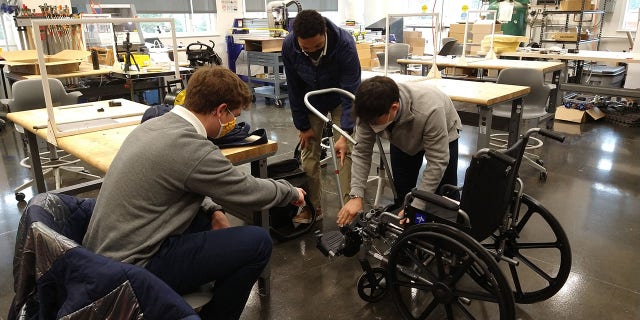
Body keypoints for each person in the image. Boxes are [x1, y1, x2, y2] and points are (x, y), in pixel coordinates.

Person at [83, 66, 305, 320]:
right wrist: (289, 191)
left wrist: (214, 210)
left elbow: (187, 181)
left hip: (104, 255)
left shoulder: (154, 125)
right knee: (257, 243)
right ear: (220, 110)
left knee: (206, 220)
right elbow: (247, 190)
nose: (233, 124)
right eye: (233, 116)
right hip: (134, 269)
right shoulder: (191, 147)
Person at [337, 76, 462, 226]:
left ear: (394, 108)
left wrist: (418, 206)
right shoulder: (368, 111)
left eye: (374, 122)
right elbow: (362, 152)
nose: (370, 126)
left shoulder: (430, 109)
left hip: (442, 130)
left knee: (445, 196)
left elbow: (437, 162)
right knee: (404, 195)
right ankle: (408, 233)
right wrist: (356, 195)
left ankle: (452, 232)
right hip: (401, 139)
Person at [282, 9, 361, 223]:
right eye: (305, 48)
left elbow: (350, 90)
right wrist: (302, 126)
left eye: (317, 47)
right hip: (311, 100)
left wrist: (346, 132)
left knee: (346, 153)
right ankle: (313, 208)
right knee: (308, 156)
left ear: (324, 32)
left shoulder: (344, 43)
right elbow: (294, 87)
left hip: (339, 99)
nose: (312, 52)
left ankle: (349, 208)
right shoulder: (289, 45)